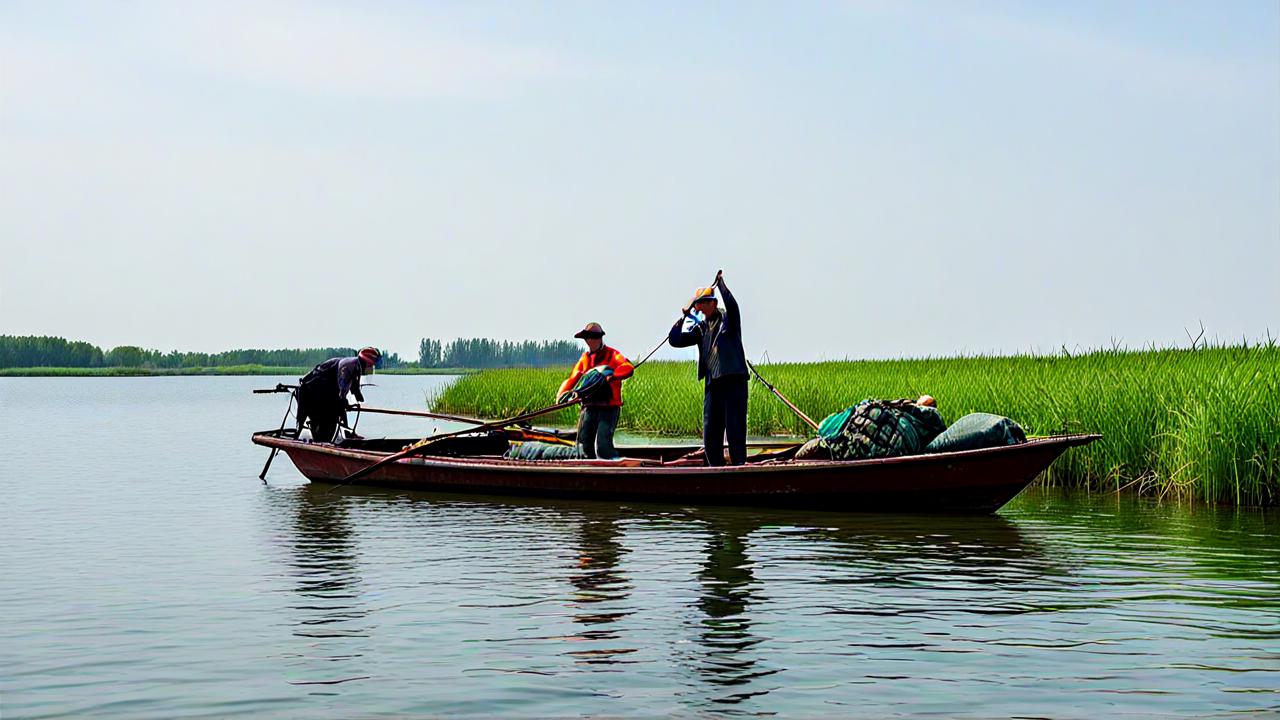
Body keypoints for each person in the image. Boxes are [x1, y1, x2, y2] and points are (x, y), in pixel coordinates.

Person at [668, 272, 749, 466]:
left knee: (735, 429)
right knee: (711, 430)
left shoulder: (729, 321)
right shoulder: (701, 328)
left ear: (713, 303)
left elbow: (732, 304)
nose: (700, 308)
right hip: (713, 383)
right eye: (698, 304)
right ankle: (715, 468)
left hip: (733, 381)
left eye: (703, 303)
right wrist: (683, 316)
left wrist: (721, 285)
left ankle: (739, 468)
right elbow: (675, 340)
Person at [556, 323, 635, 460]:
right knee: (582, 448)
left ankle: (612, 469)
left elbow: (627, 367)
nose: (590, 341)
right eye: (588, 338)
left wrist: (613, 375)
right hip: (589, 408)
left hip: (609, 408)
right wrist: (562, 395)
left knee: (602, 447)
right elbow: (573, 378)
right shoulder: (585, 359)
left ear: (599, 339)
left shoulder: (612, 355)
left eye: (594, 337)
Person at [795, 395, 944, 461]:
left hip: (865, 444)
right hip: (874, 441)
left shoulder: (913, 415)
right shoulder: (917, 419)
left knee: (805, 453)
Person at [295, 347, 380, 443]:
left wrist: (357, 395)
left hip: (324, 391)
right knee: (329, 415)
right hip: (311, 390)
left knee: (336, 410)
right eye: (370, 366)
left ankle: (343, 434)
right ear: (364, 362)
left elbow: (353, 384)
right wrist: (344, 401)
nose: (369, 369)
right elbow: (342, 389)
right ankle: (321, 440)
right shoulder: (347, 366)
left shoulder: (356, 366)